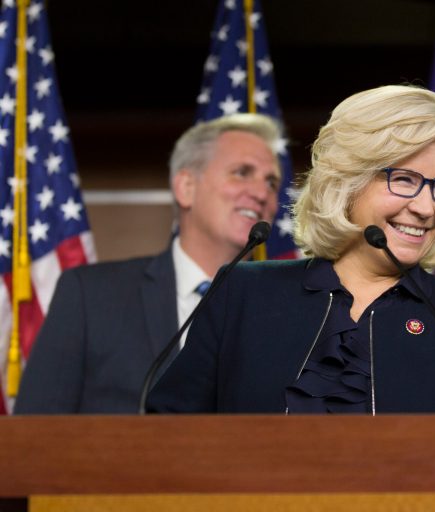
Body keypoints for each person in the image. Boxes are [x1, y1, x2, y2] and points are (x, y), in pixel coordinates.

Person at [147, 85, 435, 414]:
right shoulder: (243, 294)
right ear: (347, 182)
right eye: (405, 180)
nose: (426, 208)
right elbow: (169, 430)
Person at [15, 113, 283, 413]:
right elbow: (34, 432)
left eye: (271, 182)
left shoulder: (283, 313)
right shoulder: (90, 297)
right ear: (186, 188)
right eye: (242, 172)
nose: (262, 194)